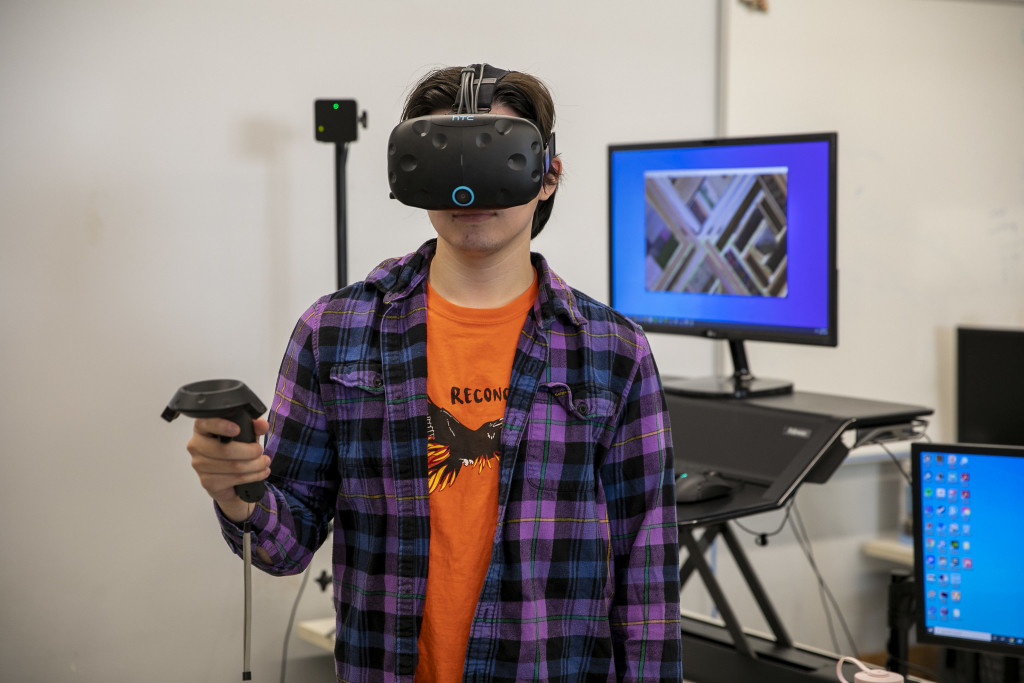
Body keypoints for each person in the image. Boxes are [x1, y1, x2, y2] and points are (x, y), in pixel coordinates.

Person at [187, 64, 683, 682]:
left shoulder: (613, 351)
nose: (469, 191)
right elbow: (284, 549)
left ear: (547, 174)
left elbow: (648, 574)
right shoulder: (336, 332)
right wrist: (237, 493)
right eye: (447, 159)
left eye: (496, 157)